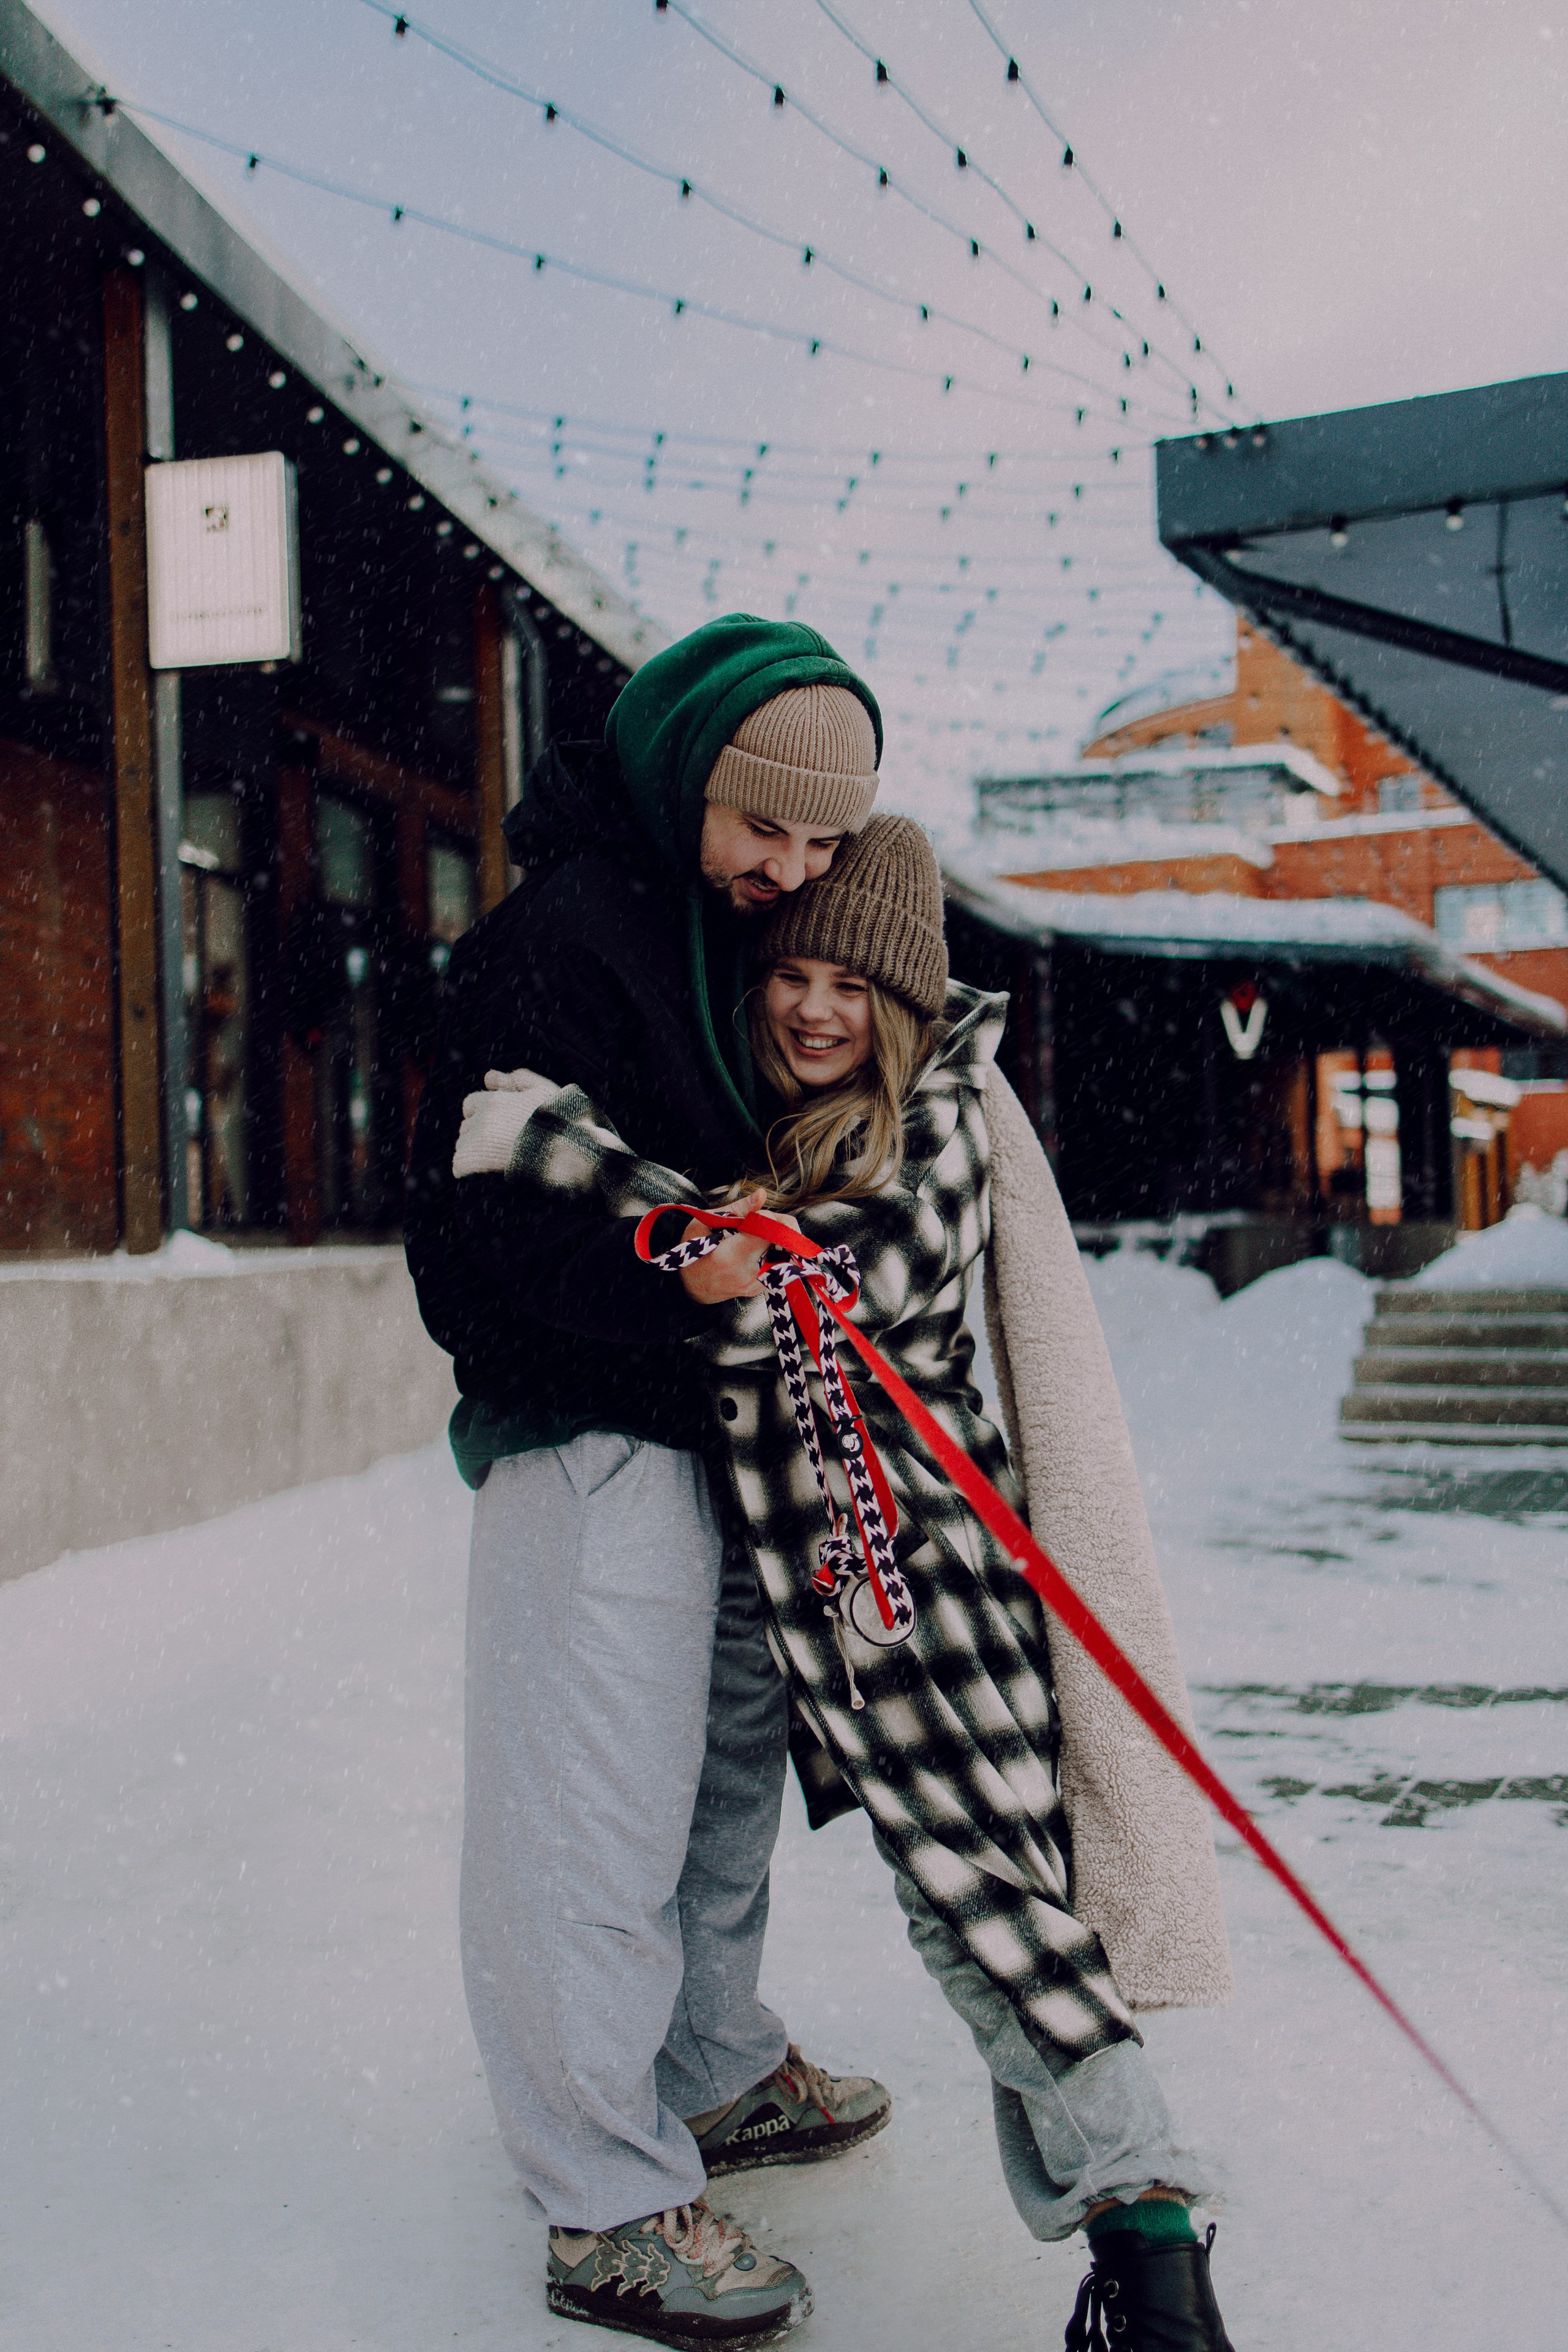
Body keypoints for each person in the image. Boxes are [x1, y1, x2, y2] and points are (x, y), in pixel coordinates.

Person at [456, 815, 1240, 2352]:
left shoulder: (937, 1124)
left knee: (994, 1916)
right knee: (698, 1827)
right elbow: (726, 1254)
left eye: (853, 987)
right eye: (791, 973)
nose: (814, 1009)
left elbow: (801, 1283)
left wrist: (569, 1150)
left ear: (910, 1010)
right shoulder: (784, 1120)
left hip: (923, 1599)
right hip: (795, 1591)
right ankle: (710, 2074)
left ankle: (1151, 2243)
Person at [405, 617, 897, 2350]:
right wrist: (661, 1287)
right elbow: (471, 1238)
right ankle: (602, 2191)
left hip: (711, 1431)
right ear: (688, 777)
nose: (796, 869)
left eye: (828, 841)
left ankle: (709, 2066)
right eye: (768, 826)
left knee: (718, 1785)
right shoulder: (556, 942)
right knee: (588, 1814)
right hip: (588, 1438)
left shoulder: (704, 928)